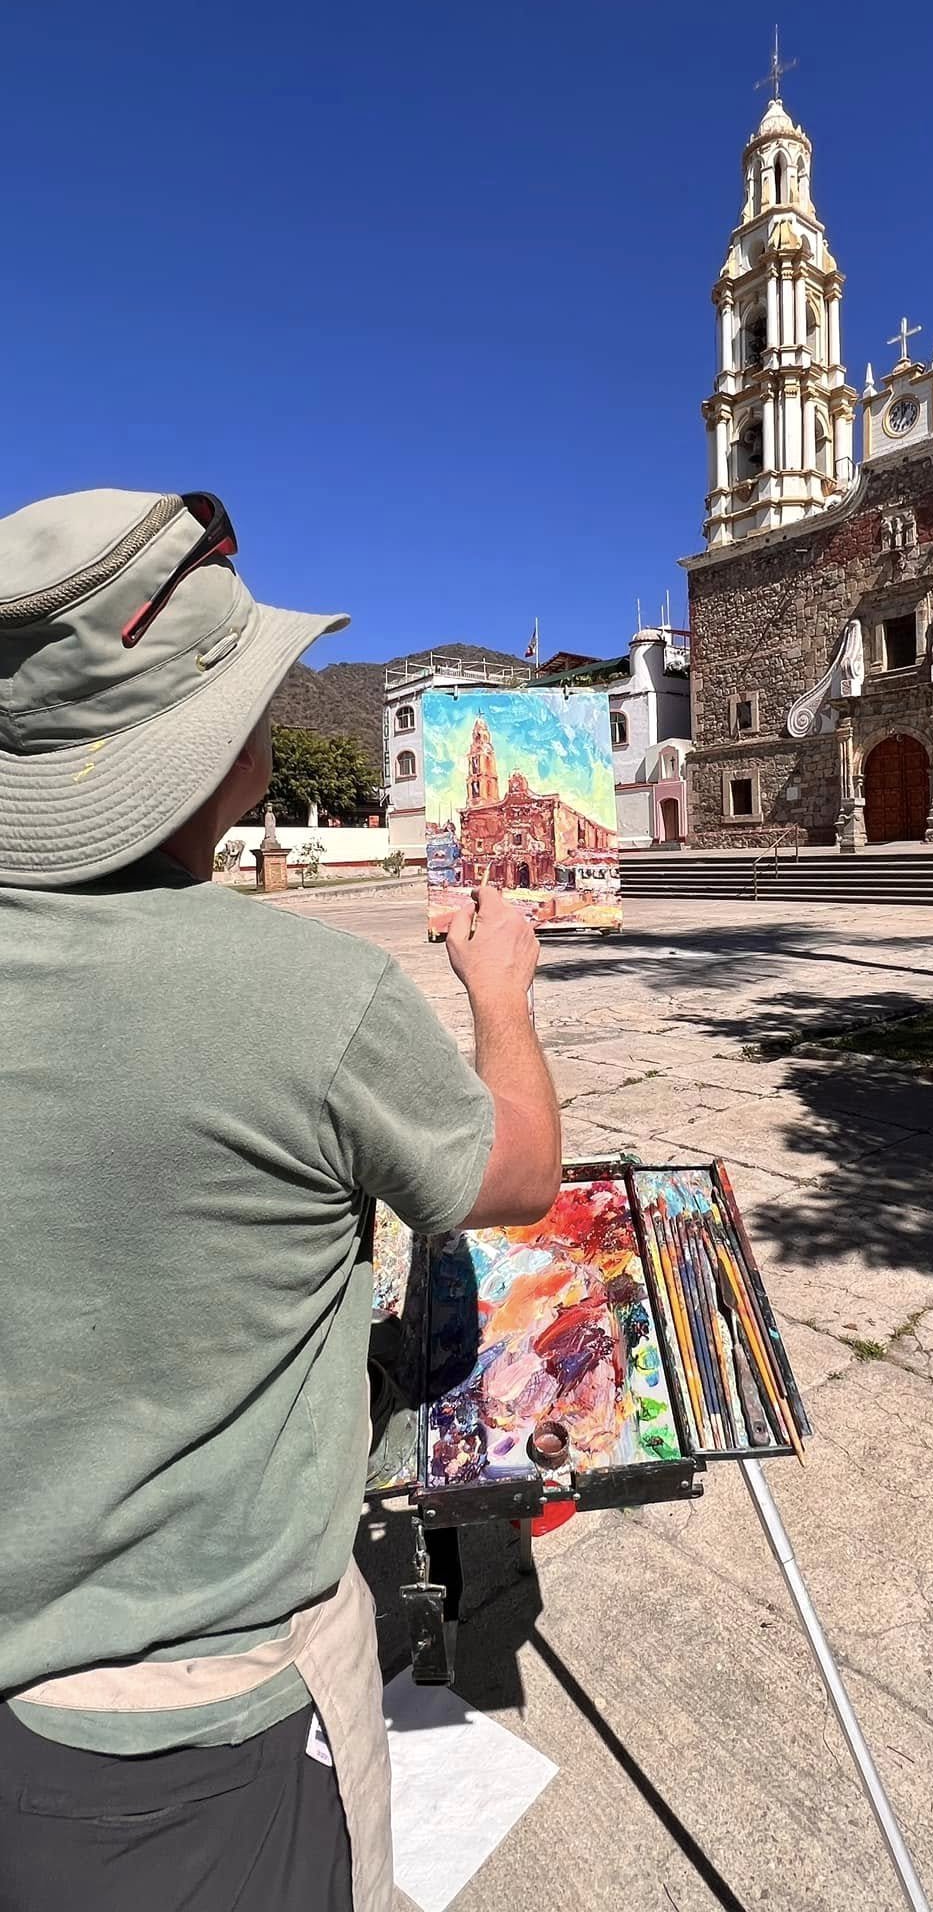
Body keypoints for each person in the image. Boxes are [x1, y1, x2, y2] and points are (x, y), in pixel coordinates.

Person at [0, 489, 561, 1911]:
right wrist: (501, 995)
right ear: (225, 745)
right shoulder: (309, 994)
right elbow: (512, 1178)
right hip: (201, 1718)